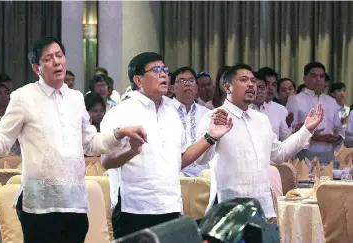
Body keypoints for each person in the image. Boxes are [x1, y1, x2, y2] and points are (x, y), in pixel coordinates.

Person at [0, 37, 147, 243]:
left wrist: (120, 133)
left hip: (74, 202)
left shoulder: (75, 98)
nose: (57, 62)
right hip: (40, 205)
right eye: (48, 58)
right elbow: (4, 139)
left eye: (60, 56)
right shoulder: (23, 97)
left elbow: (91, 144)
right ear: (35, 67)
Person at [100, 52, 232, 238]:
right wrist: (131, 151)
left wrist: (210, 137)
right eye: (156, 70)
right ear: (138, 79)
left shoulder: (171, 112)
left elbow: (179, 160)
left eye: (165, 70)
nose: (164, 74)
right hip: (134, 208)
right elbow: (106, 161)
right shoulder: (121, 112)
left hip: (170, 204)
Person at [196, 63, 324, 220]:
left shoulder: (261, 120)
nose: (251, 84)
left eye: (253, 81)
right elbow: (201, 160)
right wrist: (212, 135)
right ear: (228, 87)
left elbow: (279, 154)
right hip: (227, 208)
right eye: (244, 80)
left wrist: (306, 130)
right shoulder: (214, 117)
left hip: (261, 207)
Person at [286, 62, 344, 164]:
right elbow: (289, 131)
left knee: (327, 179)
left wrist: (337, 136)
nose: (318, 79)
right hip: (304, 154)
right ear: (304, 79)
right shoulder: (295, 99)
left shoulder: (331, 101)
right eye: (313, 76)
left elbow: (339, 130)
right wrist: (310, 135)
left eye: (321, 76)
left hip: (327, 153)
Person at [169, 67, 211, 177]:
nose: (187, 84)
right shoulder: (164, 111)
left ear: (196, 87)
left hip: (203, 177)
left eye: (191, 81)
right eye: (182, 81)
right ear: (172, 88)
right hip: (172, 175)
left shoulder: (207, 114)